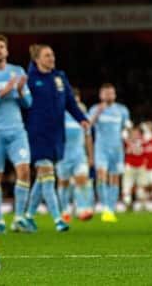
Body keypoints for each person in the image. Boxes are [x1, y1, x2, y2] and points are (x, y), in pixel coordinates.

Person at [24, 44, 89, 232]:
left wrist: (82, 119)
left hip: (56, 135)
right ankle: (58, 219)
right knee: (48, 176)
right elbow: (23, 106)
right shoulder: (30, 80)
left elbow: (70, 101)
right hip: (37, 134)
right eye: (47, 55)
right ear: (37, 59)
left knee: (42, 177)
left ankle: (28, 216)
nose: (51, 58)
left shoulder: (59, 77)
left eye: (52, 54)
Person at [0, 34, 32, 233]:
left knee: (25, 170)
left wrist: (19, 91)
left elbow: (29, 103)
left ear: (7, 51)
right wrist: (4, 91)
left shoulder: (17, 72)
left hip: (17, 130)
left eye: (2, 46)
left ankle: (18, 218)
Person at [89, 83, 131, 223]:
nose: (109, 96)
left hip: (117, 149)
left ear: (115, 95)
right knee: (101, 175)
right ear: (101, 95)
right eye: (106, 93)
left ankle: (111, 209)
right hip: (101, 148)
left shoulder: (122, 110)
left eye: (111, 93)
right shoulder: (95, 109)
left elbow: (126, 128)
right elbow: (88, 125)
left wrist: (128, 133)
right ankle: (105, 206)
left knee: (114, 178)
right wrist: (97, 113)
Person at [57, 88, 94, 221]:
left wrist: (90, 156)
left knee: (82, 179)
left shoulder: (83, 115)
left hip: (79, 154)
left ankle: (82, 209)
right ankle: (65, 210)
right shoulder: (59, 113)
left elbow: (88, 137)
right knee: (63, 183)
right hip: (62, 155)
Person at [122, 125, 147, 211]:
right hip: (131, 165)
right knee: (128, 184)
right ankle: (128, 202)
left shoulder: (128, 140)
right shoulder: (143, 140)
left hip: (138, 165)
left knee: (139, 185)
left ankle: (139, 204)